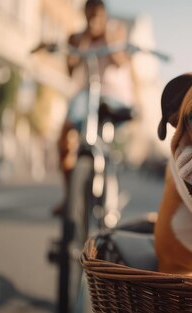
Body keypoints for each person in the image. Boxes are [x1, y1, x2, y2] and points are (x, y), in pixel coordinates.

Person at [54, 0, 135, 215]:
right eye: (90, 17)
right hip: (87, 96)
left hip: (114, 97)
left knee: (106, 145)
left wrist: (108, 38)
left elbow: (121, 62)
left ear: (105, 16)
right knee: (66, 133)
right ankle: (70, 194)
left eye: (98, 17)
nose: (93, 22)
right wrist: (85, 40)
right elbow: (70, 68)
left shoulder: (116, 30)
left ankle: (109, 189)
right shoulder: (78, 38)